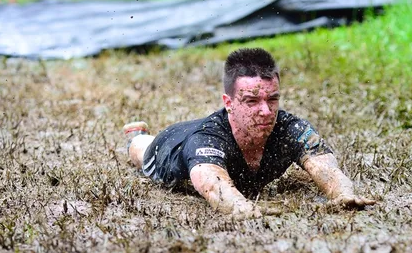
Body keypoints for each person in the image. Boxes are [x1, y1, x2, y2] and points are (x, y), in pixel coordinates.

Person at [123, 48, 375, 219]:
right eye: (252, 101)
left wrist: (344, 195)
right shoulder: (206, 140)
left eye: (272, 99)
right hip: (172, 142)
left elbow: (326, 168)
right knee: (143, 151)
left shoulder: (290, 128)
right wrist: (242, 207)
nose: (266, 111)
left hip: (204, 134)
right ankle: (137, 135)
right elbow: (212, 185)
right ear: (229, 102)